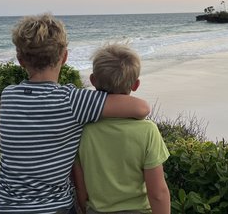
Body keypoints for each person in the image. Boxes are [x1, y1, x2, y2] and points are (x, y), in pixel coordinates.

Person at [0, 14, 150, 214]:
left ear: (20, 60)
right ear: (65, 57)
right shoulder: (72, 100)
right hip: (55, 207)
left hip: (8, 207)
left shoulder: (8, 95)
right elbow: (141, 108)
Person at [73, 44, 170, 214]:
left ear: (93, 80)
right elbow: (158, 193)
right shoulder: (148, 131)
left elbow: (80, 187)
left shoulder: (81, 129)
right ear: (135, 85)